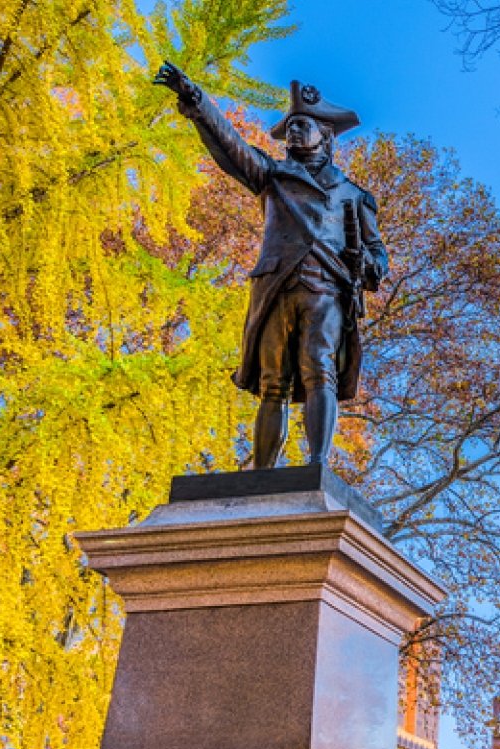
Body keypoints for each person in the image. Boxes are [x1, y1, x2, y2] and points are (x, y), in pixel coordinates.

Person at [152, 63, 388, 468]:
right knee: (272, 382)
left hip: (326, 290)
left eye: (302, 124)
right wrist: (195, 100)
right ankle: (261, 473)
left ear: (326, 135)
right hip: (277, 286)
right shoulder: (272, 175)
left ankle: (317, 464)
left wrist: (366, 263)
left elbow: (377, 256)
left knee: (320, 369)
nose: (293, 130)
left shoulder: (354, 195)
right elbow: (232, 148)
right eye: (290, 124)